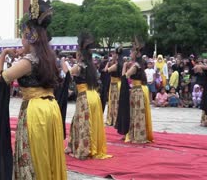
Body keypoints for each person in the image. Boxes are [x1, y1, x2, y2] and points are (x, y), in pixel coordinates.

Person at [0, 0, 67, 179]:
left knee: (32, 157)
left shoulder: (28, 61)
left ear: (31, 37)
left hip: (36, 111)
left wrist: (3, 55)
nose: (21, 41)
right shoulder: (48, 57)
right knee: (47, 155)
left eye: (23, 36)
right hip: (51, 109)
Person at [64, 32, 111, 160]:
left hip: (85, 97)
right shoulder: (91, 66)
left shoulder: (79, 66)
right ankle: (72, 145)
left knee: (83, 123)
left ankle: (84, 149)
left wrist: (63, 63)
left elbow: (66, 74)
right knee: (79, 121)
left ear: (79, 54)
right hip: (94, 96)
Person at [118, 38, 153, 143]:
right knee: (138, 113)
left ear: (135, 53)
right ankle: (138, 134)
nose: (130, 53)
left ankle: (137, 135)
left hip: (136, 91)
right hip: (138, 90)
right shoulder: (139, 64)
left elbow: (125, 76)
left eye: (131, 52)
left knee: (136, 113)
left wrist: (124, 66)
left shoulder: (135, 66)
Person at [105, 47, 123, 126]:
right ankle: (114, 119)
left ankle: (114, 119)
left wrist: (108, 63)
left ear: (117, 54)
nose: (113, 55)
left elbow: (106, 70)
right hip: (116, 84)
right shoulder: (121, 63)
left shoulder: (116, 64)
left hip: (115, 85)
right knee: (115, 102)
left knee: (114, 102)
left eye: (114, 53)